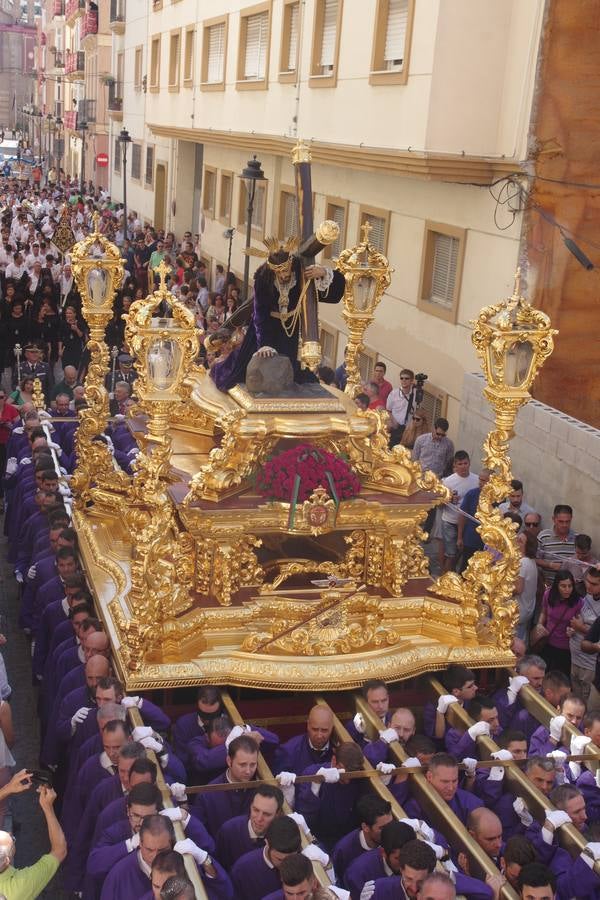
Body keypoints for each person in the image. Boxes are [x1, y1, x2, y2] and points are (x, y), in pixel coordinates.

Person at [211, 239, 344, 391]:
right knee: (243, 369)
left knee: (287, 367)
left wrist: (323, 273)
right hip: (267, 327)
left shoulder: (301, 272)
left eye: (285, 270)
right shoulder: (263, 277)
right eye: (278, 271)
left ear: (290, 264)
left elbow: (331, 293)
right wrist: (265, 344)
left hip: (290, 329)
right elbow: (260, 312)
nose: (282, 275)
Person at [0, 775, 67, 897]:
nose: (10, 833)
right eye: (12, 839)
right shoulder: (20, 886)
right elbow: (59, 850)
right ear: (7, 861)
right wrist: (48, 807)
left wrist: (8, 788)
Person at [536, 569, 582, 674]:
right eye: (563, 586)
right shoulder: (548, 595)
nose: (567, 590)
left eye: (570, 586)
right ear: (557, 586)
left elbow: (580, 622)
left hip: (565, 647)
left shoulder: (578, 602)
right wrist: (539, 624)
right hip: (547, 641)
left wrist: (573, 630)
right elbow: (544, 612)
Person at [440, 451, 479, 573]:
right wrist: (449, 499)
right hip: (450, 521)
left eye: (465, 463)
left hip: (467, 523)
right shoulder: (447, 482)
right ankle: (444, 579)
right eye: (460, 464)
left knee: (460, 553)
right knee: (451, 554)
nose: (463, 466)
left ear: (469, 463)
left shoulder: (476, 480)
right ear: (455, 466)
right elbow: (439, 504)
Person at [568, 567, 600, 702]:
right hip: (575, 657)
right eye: (588, 581)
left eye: (594, 584)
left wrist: (581, 627)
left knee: (584, 706)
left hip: (590, 665)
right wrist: (572, 628)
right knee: (575, 700)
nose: (589, 586)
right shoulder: (586, 596)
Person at [536, 505, 577, 584]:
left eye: (567, 521)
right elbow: (535, 559)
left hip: (569, 588)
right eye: (561, 521)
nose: (564, 525)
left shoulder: (577, 539)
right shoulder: (543, 537)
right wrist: (550, 565)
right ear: (554, 519)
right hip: (548, 586)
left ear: (571, 519)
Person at [514, 531, 540, 643]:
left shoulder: (523, 562)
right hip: (526, 610)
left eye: (520, 541)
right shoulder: (531, 561)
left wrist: (500, 588)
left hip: (519, 611)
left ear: (527, 546)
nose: (516, 542)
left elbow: (518, 588)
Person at [386, 370, 416, 447]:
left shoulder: (415, 396)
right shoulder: (394, 394)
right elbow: (388, 410)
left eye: (407, 378)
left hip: (408, 429)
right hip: (396, 427)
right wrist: (394, 422)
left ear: (412, 380)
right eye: (402, 378)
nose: (404, 381)